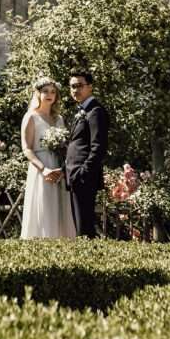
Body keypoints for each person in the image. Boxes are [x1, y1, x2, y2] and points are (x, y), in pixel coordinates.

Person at [20, 76, 76, 239]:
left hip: (59, 168)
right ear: (38, 93)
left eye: (53, 91)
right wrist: (44, 169)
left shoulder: (59, 119)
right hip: (41, 168)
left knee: (61, 208)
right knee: (44, 208)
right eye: (45, 91)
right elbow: (27, 148)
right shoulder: (31, 117)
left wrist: (64, 168)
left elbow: (66, 146)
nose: (49, 94)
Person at [65, 70, 109, 238]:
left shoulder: (95, 111)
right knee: (80, 225)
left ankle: (89, 260)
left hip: (84, 176)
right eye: (72, 87)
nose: (75, 90)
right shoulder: (81, 110)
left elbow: (99, 147)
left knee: (84, 227)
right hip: (75, 175)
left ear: (90, 87)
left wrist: (83, 172)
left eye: (79, 86)